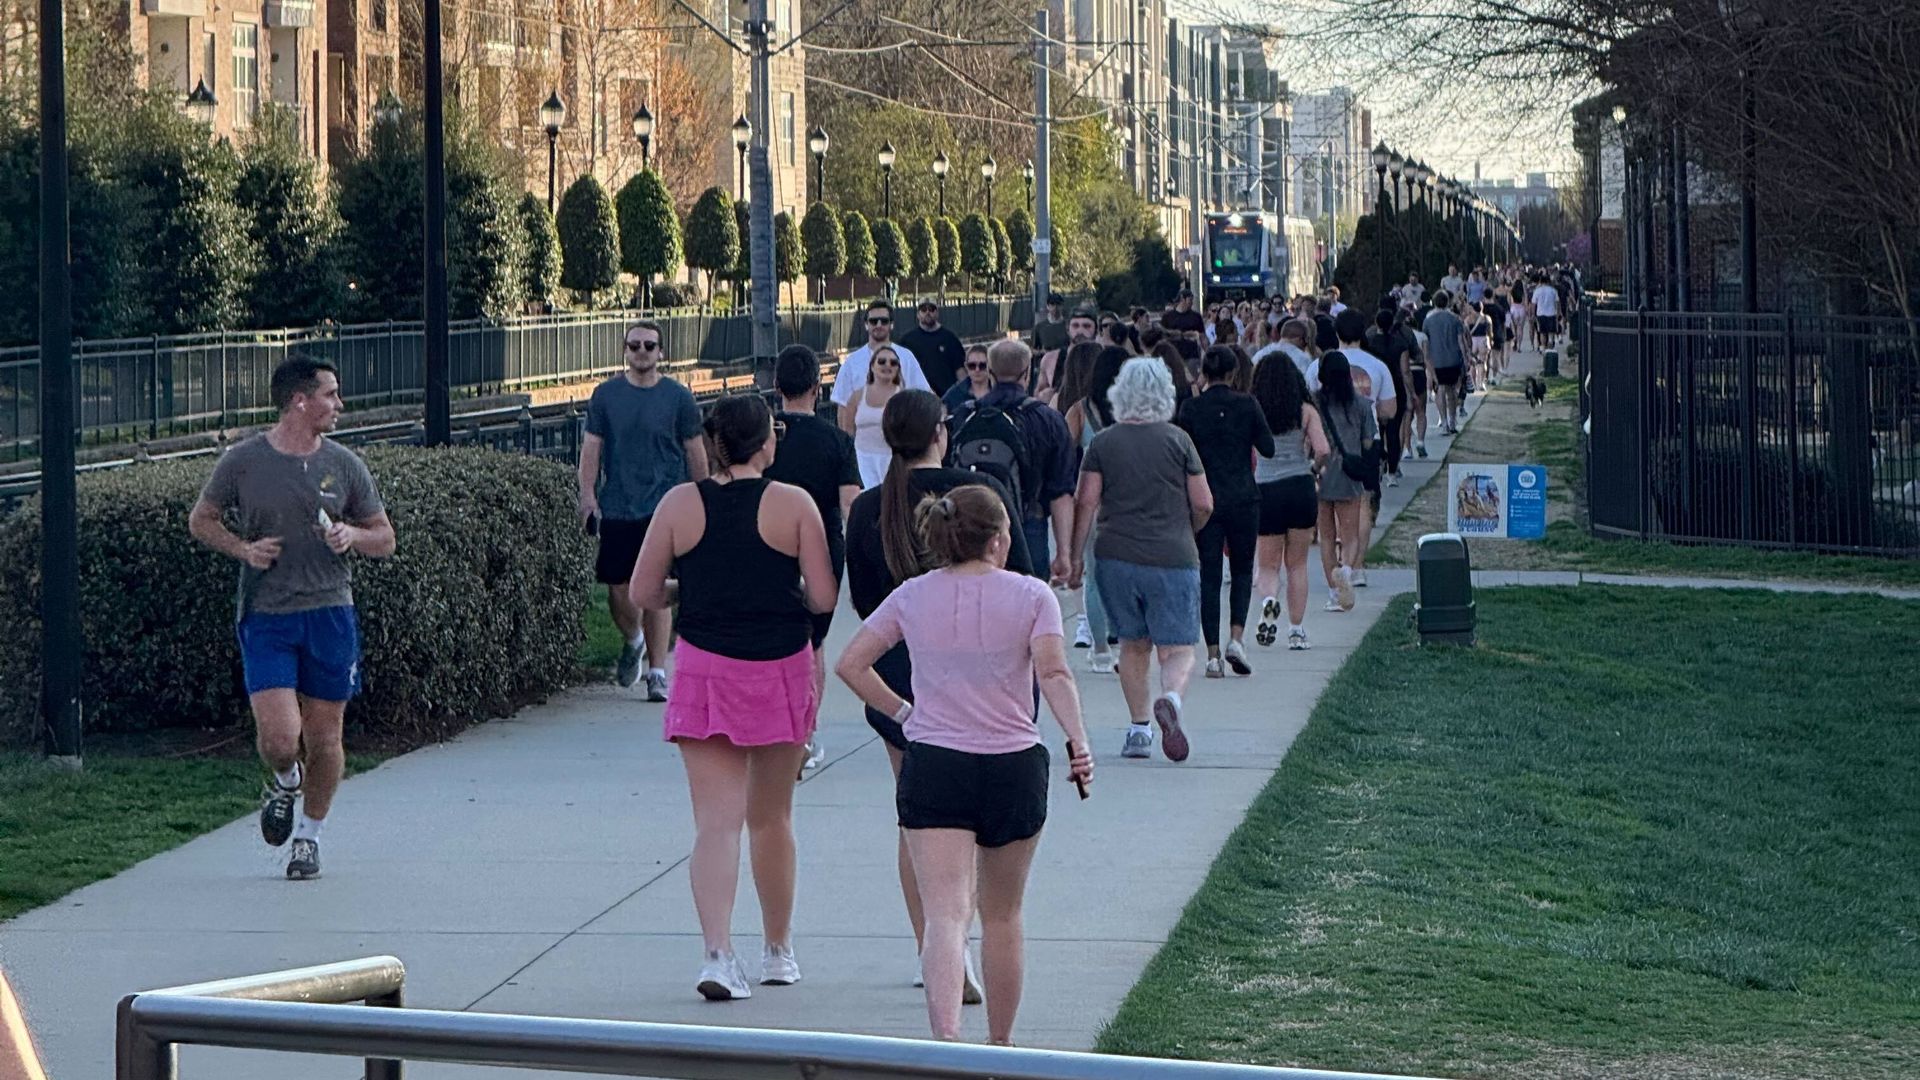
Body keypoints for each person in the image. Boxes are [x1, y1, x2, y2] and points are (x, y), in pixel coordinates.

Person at [836, 485, 1092, 1046]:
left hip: (935, 764)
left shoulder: (911, 595)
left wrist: (904, 712)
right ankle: (1001, 1044)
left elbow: (851, 664)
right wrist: (1077, 740)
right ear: (1000, 539)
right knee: (1003, 916)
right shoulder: (1033, 597)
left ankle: (946, 1046)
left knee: (945, 916)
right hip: (1013, 765)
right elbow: (1053, 673)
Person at [628, 393, 839, 1001]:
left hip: (704, 668)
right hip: (778, 666)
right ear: (764, 442)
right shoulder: (794, 505)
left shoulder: (680, 504)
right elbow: (822, 598)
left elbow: (646, 589)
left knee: (714, 825)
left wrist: (687, 586)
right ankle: (778, 950)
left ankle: (718, 955)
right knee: (772, 818)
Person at [846, 390, 1030, 1002]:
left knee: (919, 821)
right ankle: (962, 944)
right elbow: (1019, 576)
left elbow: (864, 603)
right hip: (986, 671)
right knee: (984, 827)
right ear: (942, 433)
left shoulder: (871, 507)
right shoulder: (978, 495)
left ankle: (938, 948)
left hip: (899, 676)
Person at [189, 356, 397, 882]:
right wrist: (243, 549)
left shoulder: (346, 465)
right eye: (331, 394)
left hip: (330, 611)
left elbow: (385, 538)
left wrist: (353, 536)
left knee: (326, 736)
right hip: (267, 615)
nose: (339, 405)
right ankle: (285, 780)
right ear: (300, 401)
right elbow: (202, 519)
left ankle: (309, 838)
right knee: (282, 738)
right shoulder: (243, 461)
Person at [1069, 357, 1211, 762]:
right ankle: (1171, 700)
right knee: (1179, 648)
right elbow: (1203, 502)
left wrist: (1076, 556)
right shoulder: (1178, 440)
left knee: (1133, 645)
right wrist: (1188, 529)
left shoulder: (1103, 442)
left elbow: (1086, 501)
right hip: (1173, 554)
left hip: (1116, 555)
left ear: (1121, 393)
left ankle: (1138, 731)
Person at [579, 319, 709, 700]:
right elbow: (591, 449)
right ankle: (633, 640)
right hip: (618, 506)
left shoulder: (679, 398)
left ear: (661, 352)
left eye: (649, 346)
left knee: (657, 588)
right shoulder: (605, 397)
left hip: (665, 507)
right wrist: (588, 495)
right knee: (619, 590)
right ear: (625, 351)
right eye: (634, 346)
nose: (641, 352)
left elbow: (694, 451)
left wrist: (703, 498)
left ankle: (656, 672)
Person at [763, 345, 863, 775]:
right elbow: (851, 506)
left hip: (766, 543)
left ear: (775, 387)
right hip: (821, 548)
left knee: (770, 637)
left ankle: (771, 728)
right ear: (818, 390)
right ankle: (806, 731)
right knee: (813, 643)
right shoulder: (837, 441)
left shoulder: (761, 438)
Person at [1176, 346, 1273, 678]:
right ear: (1233, 374)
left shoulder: (1191, 408)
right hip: (1244, 496)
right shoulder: (1247, 404)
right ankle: (1236, 639)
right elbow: (1268, 447)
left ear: (1204, 372)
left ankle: (1212, 655)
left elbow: (1180, 453)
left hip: (1206, 497)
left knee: (1210, 576)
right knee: (1243, 571)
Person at [948, 340, 1077, 583]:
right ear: (1028, 372)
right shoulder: (1048, 419)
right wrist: (1064, 553)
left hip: (972, 530)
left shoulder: (964, 415)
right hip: (1029, 528)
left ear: (990, 372)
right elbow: (1061, 493)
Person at [1307, 310, 1397, 587]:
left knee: (1326, 531)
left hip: (1322, 465)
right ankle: (1354, 567)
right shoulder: (1377, 367)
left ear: (1336, 333)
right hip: (1356, 457)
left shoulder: (1313, 372)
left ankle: (1334, 585)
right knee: (1360, 513)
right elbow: (1389, 411)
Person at [1249, 355, 1329, 651]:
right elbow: (1322, 449)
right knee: (1297, 564)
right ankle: (1296, 630)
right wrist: (1312, 467)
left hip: (1266, 487)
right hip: (1300, 486)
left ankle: (1269, 600)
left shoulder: (1254, 408)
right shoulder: (1305, 410)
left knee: (1268, 565)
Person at [1050, 340, 1111, 655]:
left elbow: (1061, 451)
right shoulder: (1116, 403)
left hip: (1085, 494)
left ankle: (1095, 639)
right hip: (1122, 498)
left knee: (1090, 569)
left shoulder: (1075, 408)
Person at [1311, 352, 1376, 614]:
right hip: (1349, 475)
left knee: (1326, 537)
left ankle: (1333, 592)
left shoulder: (1314, 403)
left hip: (1322, 474)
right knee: (1349, 536)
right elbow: (1368, 442)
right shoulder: (1360, 404)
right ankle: (1347, 570)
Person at [833, 299, 929, 411]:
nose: (879, 325)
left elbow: (923, 395)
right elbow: (842, 404)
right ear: (866, 325)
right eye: (873, 321)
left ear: (891, 325)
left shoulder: (906, 357)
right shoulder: (852, 362)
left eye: (884, 321)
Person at [842, 342, 906, 488]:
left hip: (892, 460)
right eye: (882, 361)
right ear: (872, 366)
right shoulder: (857, 396)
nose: (887, 365)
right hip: (861, 460)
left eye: (893, 362)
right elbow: (848, 431)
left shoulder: (903, 396)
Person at [897, 298, 968, 397]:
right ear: (918, 314)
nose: (928, 312)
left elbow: (960, 370)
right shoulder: (907, 341)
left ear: (937, 313)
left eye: (931, 309)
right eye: (923, 309)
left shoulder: (950, 338)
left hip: (948, 397)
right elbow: (900, 372)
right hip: (918, 398)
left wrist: (966, 393)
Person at [1423, 291, 1469, 436]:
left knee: (1440, 390)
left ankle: (1443, 422)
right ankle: (1452, 421)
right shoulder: (1455, 319)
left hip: (1437, 360)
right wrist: (1466, 359)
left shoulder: (1428, 321)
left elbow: (1426, 342)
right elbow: (1461, 342)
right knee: (1452, 390)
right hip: (1453, 359)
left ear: (1434, 302)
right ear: (1448, 302)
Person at [941, 343, 993, 418]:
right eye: (972, 365)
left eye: (982, 366)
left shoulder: (1000, 391)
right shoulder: (953, 395)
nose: (977, 370)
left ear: (990, 366)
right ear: (966, 366)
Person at [1030, 292, 1070, 356]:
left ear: (1062, 306)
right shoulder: (1039, 327)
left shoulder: (1069, 326)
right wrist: (1041, 352)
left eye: (1058, 304)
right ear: (1047, 306)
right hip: (1047, 362)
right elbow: (1032, 349)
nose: (1055, 307)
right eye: (1052, 304)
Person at [1532, 274, 1563, 349]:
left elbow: (1533, 304)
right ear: (1548, 281)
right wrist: (1559, 312)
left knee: (1542, 332)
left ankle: (1543, 347)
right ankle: (1550, 347)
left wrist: (1533, 314)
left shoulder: (1537, 291)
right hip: (1551, 313)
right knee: (1551, 333)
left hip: (1540, 314)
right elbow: (1557, 302)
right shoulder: (1553, 291)